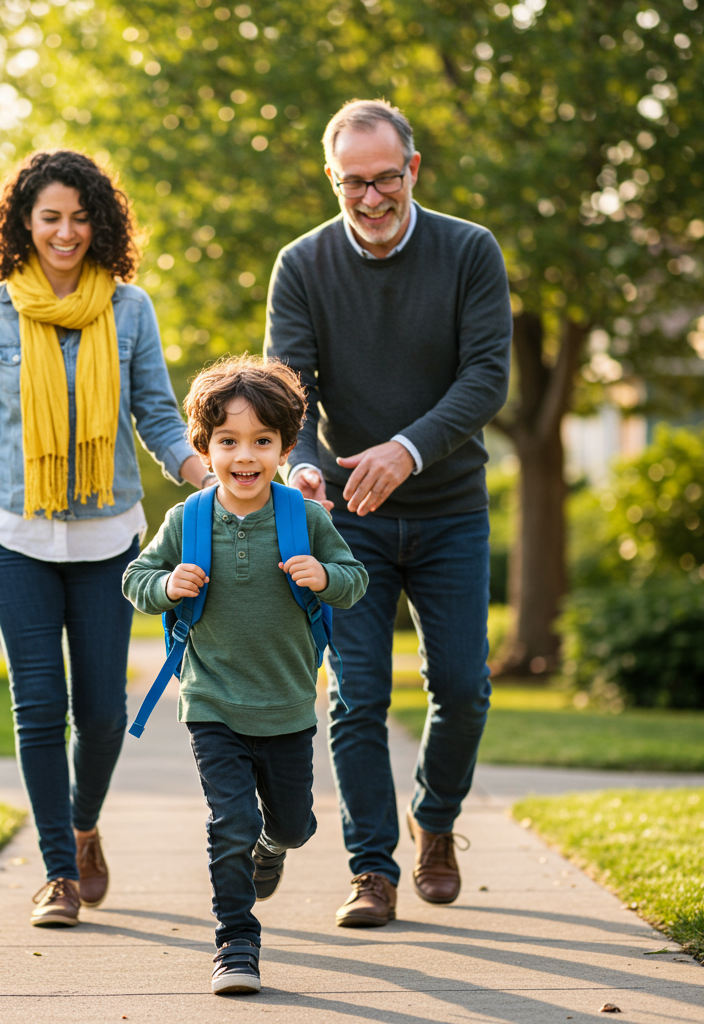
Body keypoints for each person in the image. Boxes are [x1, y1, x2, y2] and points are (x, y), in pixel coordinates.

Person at [0, 149, 210, 928]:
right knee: (38, 706)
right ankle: (58, 871)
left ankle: (84, 825)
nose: (64, 232)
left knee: (103, 713)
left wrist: (208, 473)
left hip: (108, 537)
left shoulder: (129, 309)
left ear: (101, 222)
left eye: (80, 217)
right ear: (23, 222)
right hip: (14, 535)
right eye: (49, 216)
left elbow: (156, 415)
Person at [264, 99, 513, 927]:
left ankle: (435, 821)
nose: (369, 199)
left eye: (384, 180)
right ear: (331, 180)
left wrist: (405, 450)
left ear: (412, 170)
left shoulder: (469, 251)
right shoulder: (301, 265)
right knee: (356, 696)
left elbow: (485, 378)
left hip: (448, 510)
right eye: (351, 184)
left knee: (462, 689)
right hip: (351, 521)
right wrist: (301, 467)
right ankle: (372, 870)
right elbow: (289, 394)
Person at [122, 356, 368, 994]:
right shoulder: (187, 520)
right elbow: (135, 580)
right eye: (228, 441)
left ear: (287, 446)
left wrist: (325, 575)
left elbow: (354, 580)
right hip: (213, 704)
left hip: (286, 704)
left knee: (292, 825)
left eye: (263, 441)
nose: (245, 456)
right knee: (227, 821)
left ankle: (274, 846)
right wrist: (168, 586)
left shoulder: (303, 517)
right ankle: (235, 943)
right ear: (204, 446)